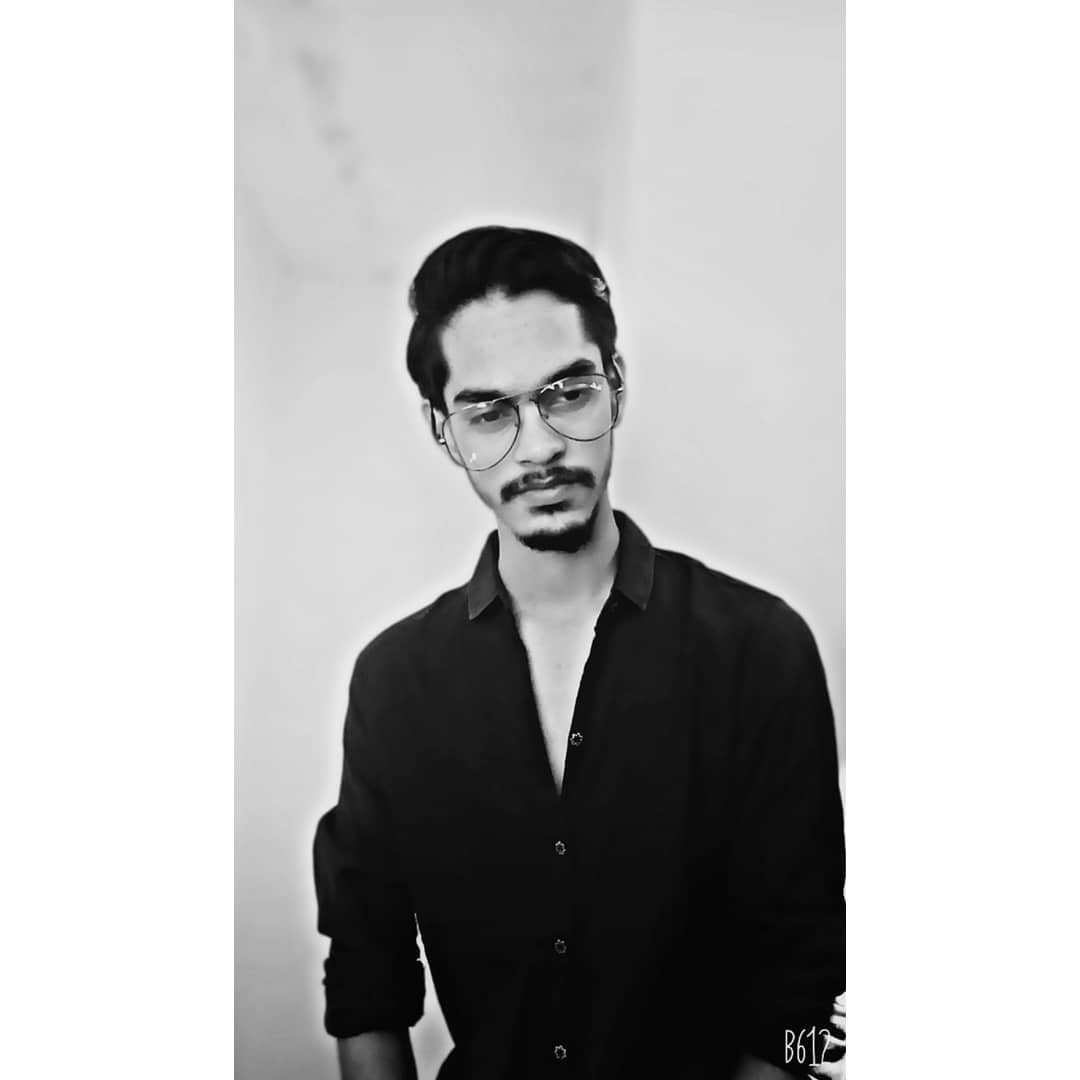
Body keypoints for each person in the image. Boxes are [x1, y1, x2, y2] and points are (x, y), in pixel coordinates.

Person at [313, 225, 846, 1079]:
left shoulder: (761, 648)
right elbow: (365, 979)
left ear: (616, 386)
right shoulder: (393, 681)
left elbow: (806, 988)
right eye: (489, 413)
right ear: (443, 430)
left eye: (567, 393)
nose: (539, 446)